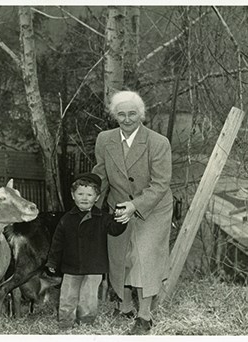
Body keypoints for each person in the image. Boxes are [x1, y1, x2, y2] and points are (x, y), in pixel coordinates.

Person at [92, 90, 173, 335]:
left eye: (132, 114)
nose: (127, 119)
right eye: (121, 114)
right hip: (118, 204)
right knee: (120, 256)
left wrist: (135, 206)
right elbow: (101, 176)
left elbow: (161, 183)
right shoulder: (104, 139)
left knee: (143, 255)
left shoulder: (158, 143)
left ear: (142, 115)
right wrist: (91, 206)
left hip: (153, 207)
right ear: (114, 116)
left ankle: (144, 316)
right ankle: (125, 307)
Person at [45, 173, 127, 330]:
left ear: (97, 197)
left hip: (94, 267)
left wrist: (121, 219)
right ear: (73, 195)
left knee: (88, 297)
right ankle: (65, 323)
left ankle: (85, 323)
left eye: (89, 194)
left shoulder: (103, 218)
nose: (84, 197)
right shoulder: (67, 219)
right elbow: (57, 242)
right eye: (80, 193)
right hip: (71, 266)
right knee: (67, 296)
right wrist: (52, 261)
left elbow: (115, 230)